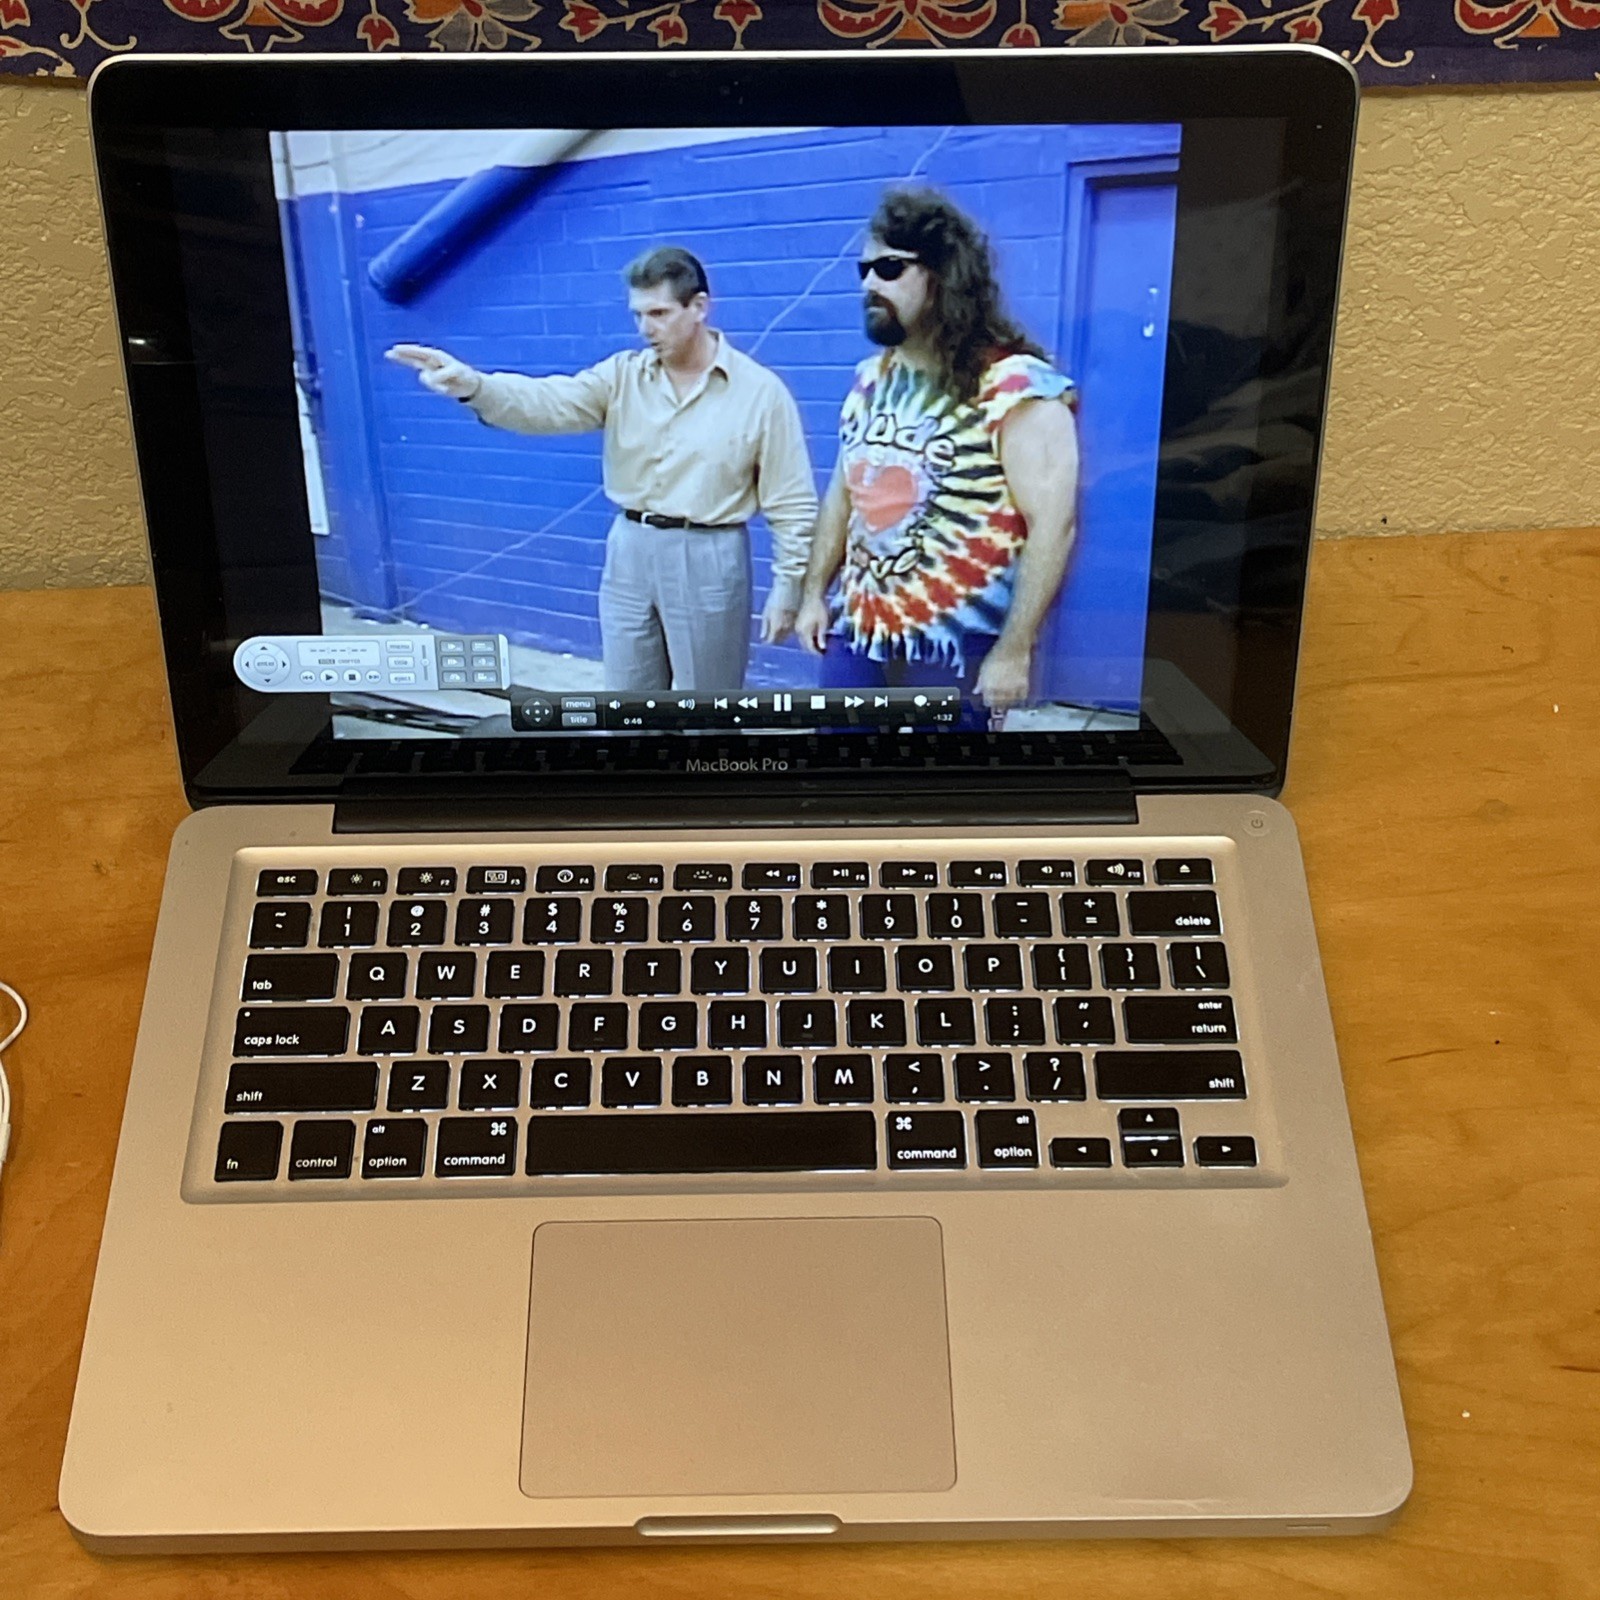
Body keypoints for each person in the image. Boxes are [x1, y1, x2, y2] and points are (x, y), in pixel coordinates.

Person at [387, 247, 818, 694]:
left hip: (709, 554)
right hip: (630, 550)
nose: (645, 328)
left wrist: (789, 587)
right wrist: (475, 386)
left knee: (707, 706)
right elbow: (549, 403)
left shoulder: (759, 393)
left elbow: (792, 503)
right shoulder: (621, 376)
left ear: (699, 307)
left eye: (659, 313)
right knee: (627, 700)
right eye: (638, 315)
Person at [793, 188, 1079, 724]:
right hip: (858, 634)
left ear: (943, 275)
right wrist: (814, 594)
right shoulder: (871, 380)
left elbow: (1053, 524)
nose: (870, 284)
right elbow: (841, 498)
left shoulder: (1015, 387)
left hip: (953, 647)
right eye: (864, 271)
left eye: (889, 268)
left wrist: (1015, 648)